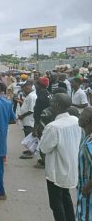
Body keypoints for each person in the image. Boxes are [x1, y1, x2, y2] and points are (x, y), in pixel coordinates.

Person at [39, 93, 81, 221]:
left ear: (56, 105)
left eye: (52, 101)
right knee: (66, 198)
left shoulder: (53, 127)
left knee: (56, 204)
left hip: (56, 171)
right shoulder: (76, 121)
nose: (50, 104)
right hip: (70, 167)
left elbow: (44, 148)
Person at [76, 107, 92, 220]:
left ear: (88, 120)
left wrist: (87, 187)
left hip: (88, 192)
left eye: (82, 114)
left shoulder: (90, 143)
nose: (79, 116)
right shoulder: (85, 138)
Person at [33, 77, 51, 169]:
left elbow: (37, 114)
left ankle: (44, 162)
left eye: (37, 84)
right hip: (48, 122)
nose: (35, 86)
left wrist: (35, 129)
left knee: (42, 143)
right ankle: (45, 160)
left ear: (40, 85)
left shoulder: (40, 98)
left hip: (42, 124)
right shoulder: (48, 94)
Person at [18, 81, 37, 159]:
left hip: (29, 120)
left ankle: (30, 152)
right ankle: (29, 150)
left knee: (29, 136)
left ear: (27, 88)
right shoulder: (29, 95)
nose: (23, 92)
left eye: (24, 90)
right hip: (26, 120)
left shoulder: (32, 96)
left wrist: (22, 116)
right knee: (27, 136)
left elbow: (31, 110)